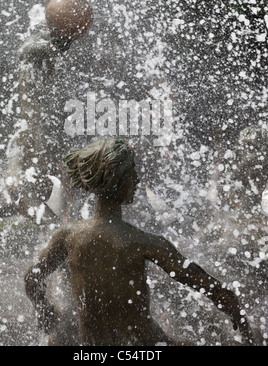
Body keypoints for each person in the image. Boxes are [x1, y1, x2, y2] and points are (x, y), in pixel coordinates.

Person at [24, 137, 253, 346]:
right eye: (132, 172)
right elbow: (207, 284)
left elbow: (32, 278)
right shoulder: (143, 242)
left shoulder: (68, 237)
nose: (138, 179)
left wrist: (45, 311)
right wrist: (240, 319)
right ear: (119, 179)